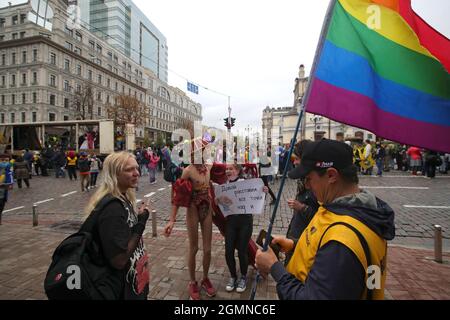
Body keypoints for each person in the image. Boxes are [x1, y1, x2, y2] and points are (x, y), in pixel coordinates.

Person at [255, 139, 395, 300]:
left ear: (331, 175)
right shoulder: (339, 208)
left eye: (309, 178)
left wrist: (275, 268)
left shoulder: (342, 242)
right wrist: (294, 245)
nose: (307, 186)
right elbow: (322, 245)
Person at [83, 151, 150, 299]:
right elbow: (119, 260)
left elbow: (123, 235)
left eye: (136, 168)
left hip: (132, 283)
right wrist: (141, 223)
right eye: (129, 169)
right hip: (120, 289)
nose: (136, 173)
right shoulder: (112, 208)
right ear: (114, 174)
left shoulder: (123, 197)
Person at [163, 140, 217, 300]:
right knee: (194, 248)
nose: (204, 153)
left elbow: (221, 167)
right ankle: (192, 281)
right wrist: (172, 220)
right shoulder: (187, 171)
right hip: (193, 210)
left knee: (207, 249)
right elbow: (178, 196)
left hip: (206, 209)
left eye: (204, 150)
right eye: (201, 150)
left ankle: (205, 278)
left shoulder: (208, 167)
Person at [215, 163, 268, 293]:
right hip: (231, 223)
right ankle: (233, 276)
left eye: (231, 169)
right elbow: (222, 205)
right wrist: (218, 201)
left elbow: (256, 194)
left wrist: (264, 191)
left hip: (245, 222)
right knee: (228, 251)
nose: (228, 171)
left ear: (238, 171)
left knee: (242, 251)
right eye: (226, 169)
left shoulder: (246, 182)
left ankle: (243, 277)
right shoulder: (223, 187)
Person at [285, 140, 319, 265]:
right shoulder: (302, 181)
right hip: (295, 236)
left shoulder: (317, 188)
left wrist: (302, 207)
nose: (294, 162)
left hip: (305, 243)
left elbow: (320, 219)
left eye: (297, 158)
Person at [0, 153, 14, 225]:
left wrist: (9, 185)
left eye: (6, 160)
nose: (4, 162)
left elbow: (10, 182)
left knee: (1, 207)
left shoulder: (8, 172)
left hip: (3, 193)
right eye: (2, 160)